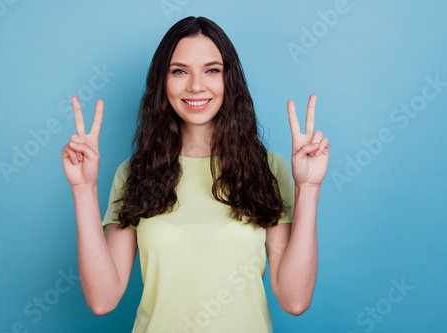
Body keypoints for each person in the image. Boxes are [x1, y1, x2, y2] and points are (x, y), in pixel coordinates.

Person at [61, 16, 329, 333]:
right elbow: (102, 300)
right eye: (179, 71)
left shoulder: (268, 169)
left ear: (230, 80)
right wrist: (83, 188)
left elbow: (294, 300)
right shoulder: (135, 174)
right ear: (162, 81)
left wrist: (308, 187)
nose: (196, 85)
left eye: (212, 70)